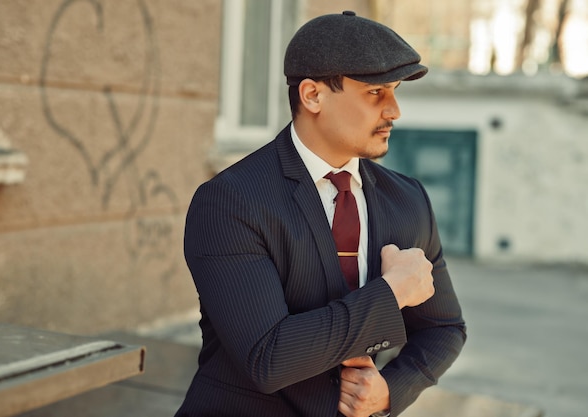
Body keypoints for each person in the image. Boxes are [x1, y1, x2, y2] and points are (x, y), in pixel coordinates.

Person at [176, 11, 466, 417]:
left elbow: (444, 329)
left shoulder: (408, 199)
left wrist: (389, 392)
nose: (394, 110)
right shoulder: (230, 201)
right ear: (312, 96)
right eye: (375, 94)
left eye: (395, 91)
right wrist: (392, 292)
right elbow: (268, 358)